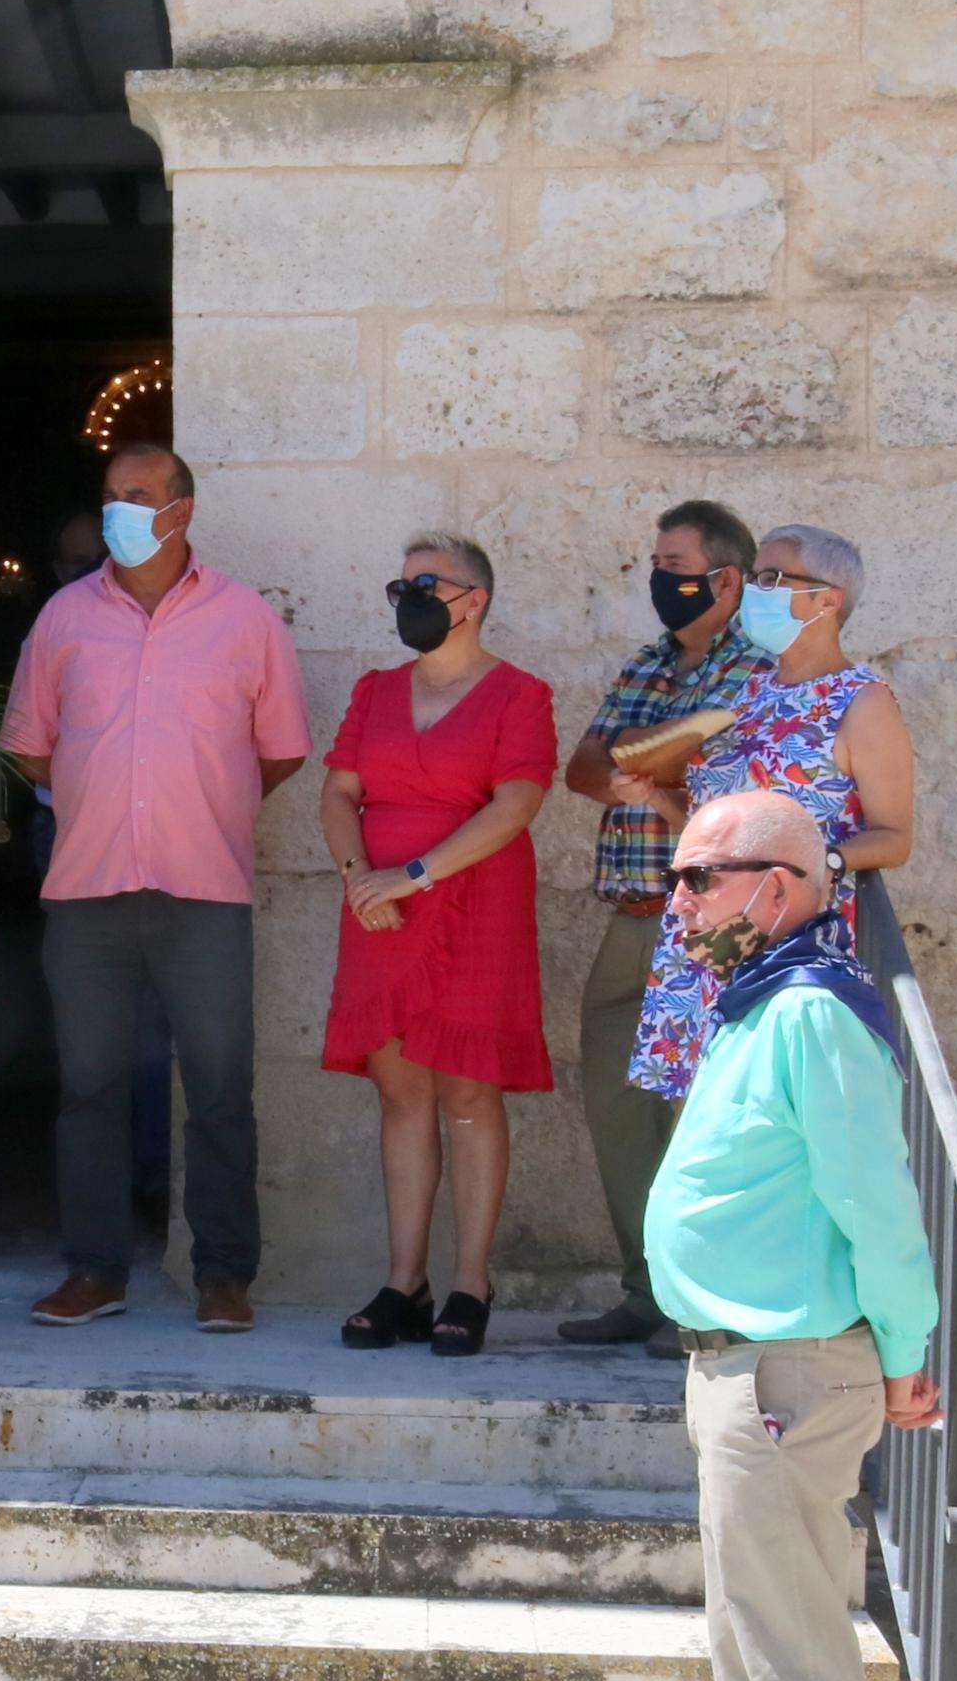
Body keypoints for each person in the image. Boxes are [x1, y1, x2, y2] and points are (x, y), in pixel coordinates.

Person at [620, 793, 935, 1681]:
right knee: (744, 1645)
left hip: (791, 1373)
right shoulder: (759, 1007)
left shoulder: (811, 1015)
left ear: (778, 885)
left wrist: (908, 1351)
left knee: (795, 1653)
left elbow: (881, 1203)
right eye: (679, 878)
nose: (679, 900)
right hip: (742, 1367)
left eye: (699, 879)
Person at [0, 444, 311, 1334]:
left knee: (217, 1085)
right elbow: (26, 742)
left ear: (180, 511)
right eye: (108, 498)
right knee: (88, 1084)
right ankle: (94, 1269)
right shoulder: (64, 617)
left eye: (136, 497)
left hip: (203, 885)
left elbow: (282, 748)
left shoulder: (244, 619)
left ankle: (222, 1276)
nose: (117, 513)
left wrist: (205, 799)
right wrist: (91, 796)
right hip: (87, 886)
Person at [316, 533, 555, 1356]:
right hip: (377, 909)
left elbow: (513, 806)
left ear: (474, 598)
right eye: (401, 583)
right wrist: (358, 877)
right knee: (400, 1095)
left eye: (427, 582)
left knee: (466, 1094)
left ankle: (470, 1282)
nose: (410, 596)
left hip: (471, 905)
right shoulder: (374, 690)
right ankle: (404, 1281)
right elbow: (339, 792)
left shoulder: (520, 693)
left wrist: (410, 875)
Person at [557, 501, 769, 1352]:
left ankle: (700, 1300)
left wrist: (642, 753)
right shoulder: (646, 660)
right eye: (654, 562)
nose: (658, 580)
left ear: (724, 578)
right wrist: (645, 754)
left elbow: (701, 755)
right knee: (616, 1108)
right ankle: (646, 1288)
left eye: (673, 563)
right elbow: (582, 765)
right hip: (628, 913)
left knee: (694, 1115)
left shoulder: (757, 666)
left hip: (703, 923)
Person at [622, 522, 915, 1101]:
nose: (756, 590)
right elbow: (723, 820)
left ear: (827, 600)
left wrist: (817, 858)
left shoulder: (862, 700)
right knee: (703, 1111)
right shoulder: (747, 692)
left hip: (789, 938)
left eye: (774, 578)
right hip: (705, 930)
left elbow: (895, 837)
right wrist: (657, 797)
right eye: (757, 577)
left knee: (773, 1104)